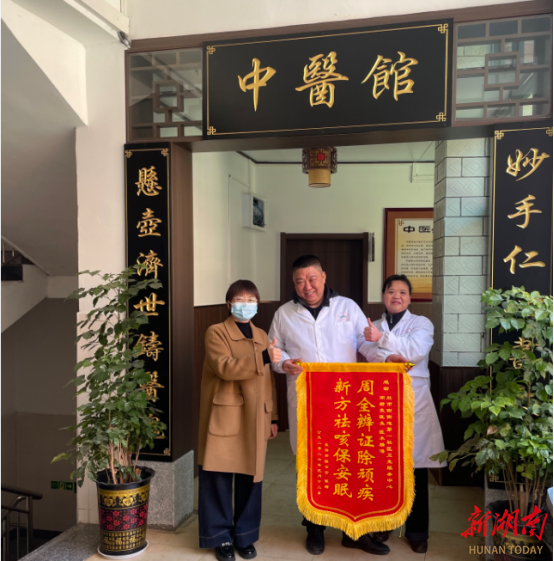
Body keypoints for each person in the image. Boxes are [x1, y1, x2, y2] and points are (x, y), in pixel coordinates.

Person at [268, 255, 390, 556]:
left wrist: (388, 357)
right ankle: (314, 527)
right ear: (293, 283)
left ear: (323, 276)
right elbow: (274, 351)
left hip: (345, 400)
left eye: (312, 278)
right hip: (307, 400)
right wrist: (284, 364)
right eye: (300, 281)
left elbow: (366, 345)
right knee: (312, 464)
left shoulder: (347, 307)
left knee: (349, 463)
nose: (307, 286)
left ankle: (354, 531)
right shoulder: (284, 313)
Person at [362, 274, 446, 554]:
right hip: (381, 401)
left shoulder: (422, 323)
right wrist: (387, 355)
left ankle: (417, 531)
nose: (396, 296)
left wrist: (382, 340)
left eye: (402, 292)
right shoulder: (372, 326)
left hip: (414, 401)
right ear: (383, 296)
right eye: (390, 291)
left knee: (415, 467)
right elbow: (367, 351)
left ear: (409, 298)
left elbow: (415, 352)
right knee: (384, 467)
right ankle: (384, 524)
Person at [198, 280, 280, 561]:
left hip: (257, 416)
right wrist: (263, 356)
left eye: (251, 300)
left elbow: (268, 379)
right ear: (229, 303)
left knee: (251, 476)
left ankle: (245, 536)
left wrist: (273, 416)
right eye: (240, 299)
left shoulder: (261, 335)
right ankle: (219, 536)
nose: (246, 304)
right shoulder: (216, 332)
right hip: (226, 414)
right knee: (218, 475)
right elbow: (225, 368)